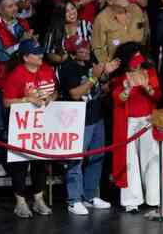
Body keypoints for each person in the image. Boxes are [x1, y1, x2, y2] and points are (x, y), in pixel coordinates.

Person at [58, 37, 120, 215]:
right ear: (71, 52)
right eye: (80, 49)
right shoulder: (68, 68)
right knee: (76, 160)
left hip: (96, 116)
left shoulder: (90, 63)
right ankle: (74, 200)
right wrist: (94, 77)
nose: (85, 51)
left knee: (97, 157)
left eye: (86, 47)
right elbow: (76, 94)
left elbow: (100, 90)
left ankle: (90, 195)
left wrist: (107, 76)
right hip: (78, 121)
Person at [110, 42, 163, 213]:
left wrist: (146, 87)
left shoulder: (148, 72)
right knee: (130, 162)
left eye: (139, 59)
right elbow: (118, 99)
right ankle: (131, 200)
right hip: (128, 123)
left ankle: (155, 197)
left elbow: (158, 95)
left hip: (148, 121)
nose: (137, 63)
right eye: (134, 60)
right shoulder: (120, 77)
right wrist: (127, 90)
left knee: (152, 157)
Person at [2, 39, 56, 218]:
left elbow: (55, 91)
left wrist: (51, 98)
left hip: (42, 125)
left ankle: (39, 200)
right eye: (36, 53)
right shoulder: (16, 75)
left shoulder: (47, 70)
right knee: (20, 164)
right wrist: (27, 100)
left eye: (41, 52)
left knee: (40, 163)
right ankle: (20, 203)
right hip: (22, 128)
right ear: (25, 57)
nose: (41, 55)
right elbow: (7, 102)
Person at [0, 0, 35, 177]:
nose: (14, 9)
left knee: (20, 123)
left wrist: (30, 42)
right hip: (0, 82)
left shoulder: (22, 24)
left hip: (21, 81)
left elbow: (30, 50)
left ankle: (20, 161)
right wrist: (19, 45)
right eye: (9, 6)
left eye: (14, 5)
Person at [92, 0, 149, 64]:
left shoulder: (136, 10)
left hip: (139, 61)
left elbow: (145, 34)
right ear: (110, 0)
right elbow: (98, 49)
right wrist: (107, 67)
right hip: (117, 66)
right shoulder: (101, 20)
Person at [43, 0, 93, 68]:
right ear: (60, 14)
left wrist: (87, 51)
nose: (72, 12)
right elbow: (49, 54)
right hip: (64, 68)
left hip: (86, 65)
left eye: (73, 8)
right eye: (66, 11)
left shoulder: (85, 24)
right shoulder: (54, 30)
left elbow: (93, 45)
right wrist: (67, 57)